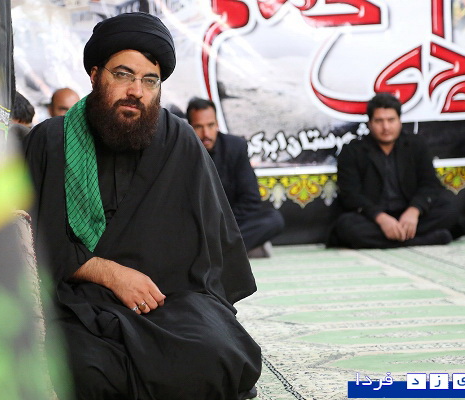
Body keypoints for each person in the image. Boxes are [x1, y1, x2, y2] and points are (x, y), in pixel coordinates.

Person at [24, 12, 261, 400]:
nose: (136, 90)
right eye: (123, 75)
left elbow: (210, 252)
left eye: (149, 80)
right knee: (81, 368)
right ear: (95, 75)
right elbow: (28, 239)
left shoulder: (179, 140)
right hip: (77, 302)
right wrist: (106, 272)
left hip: (167, 300)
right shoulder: (51, 141)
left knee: (220, 354)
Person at [328, 92, 459, 249]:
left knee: (449, 211)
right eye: (379, 121)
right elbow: (351, 195)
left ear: (399, 121)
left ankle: (395, 239)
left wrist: (414, 210)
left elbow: (429, 184)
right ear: (369, 123)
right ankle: (423, 240)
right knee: (347, 226)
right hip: (373, 218)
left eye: (391, 120)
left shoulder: (416, 145)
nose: (386, 127)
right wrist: (380, 218)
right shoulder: (353, 151)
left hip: (409, 215)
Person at [186, 97, 284, 257]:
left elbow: (251, 199)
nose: (206, 134)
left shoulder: (235, 147)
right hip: (197, 227)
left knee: (273, 220)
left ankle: (214, 252)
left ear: (217, 124)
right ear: (189, 127)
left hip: (229, 222)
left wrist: (221, 222)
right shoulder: (182, 151)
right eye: (198, 127)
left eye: (211, 125)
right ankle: (227, 250)